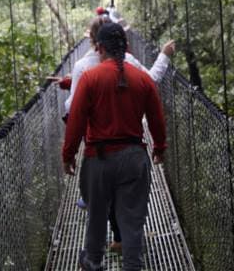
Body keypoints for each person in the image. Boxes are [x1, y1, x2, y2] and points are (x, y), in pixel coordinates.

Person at [62, 22, 166, 271]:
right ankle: (132, 266)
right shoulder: (143, 80)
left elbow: (75, 121)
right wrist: (159, 147)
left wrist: (68, 155)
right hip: (134, 158)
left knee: (97, 217)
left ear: (99, 49)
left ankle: (94, 262)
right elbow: (156, 119)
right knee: (132, 221)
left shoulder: (89, 78)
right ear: (127, 47)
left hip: (98, 160)